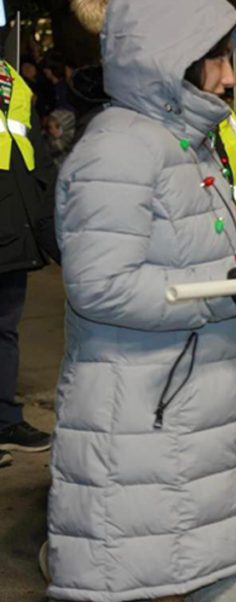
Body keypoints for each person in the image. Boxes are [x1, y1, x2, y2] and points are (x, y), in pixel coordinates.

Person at [21, 0, 236, 602]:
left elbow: (218, 251)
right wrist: (232, 294)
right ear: (164, 57)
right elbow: (102, 286)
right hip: (139, 434)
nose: (227, 74)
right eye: (213, 57)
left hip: (198, 423)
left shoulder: (189, 145)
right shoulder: (119, 149)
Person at [0, 51, 58, 468]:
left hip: (12, 228)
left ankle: (5, 422)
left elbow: (32, 155)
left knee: (5, 330)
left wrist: (44, 223)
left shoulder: (11, 80)